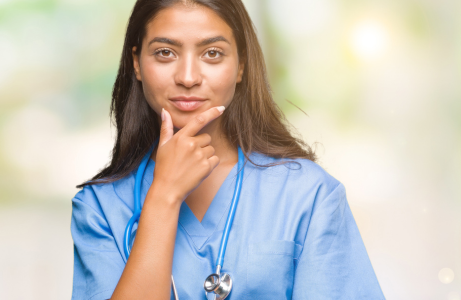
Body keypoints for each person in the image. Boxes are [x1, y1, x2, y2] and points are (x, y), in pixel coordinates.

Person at [70, 0, 385, 299]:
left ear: (241, 66)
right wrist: (164, 196)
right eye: (165, 52)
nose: (188, 77)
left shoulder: (308, 194)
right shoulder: (98, 208)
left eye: (212, 53)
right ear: (137, 64)